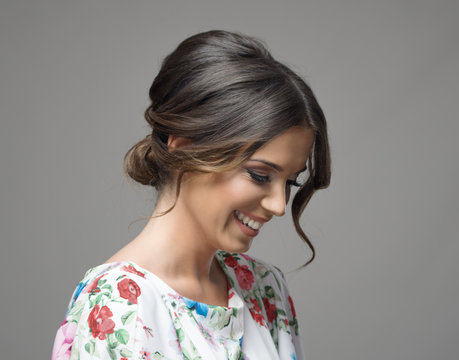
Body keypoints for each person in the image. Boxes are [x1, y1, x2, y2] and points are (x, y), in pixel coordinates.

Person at [51, 30, 331, 360]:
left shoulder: (264, 289)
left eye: (289, 182)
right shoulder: (120, 304)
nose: (279, 206)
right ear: (186, 150)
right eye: (260, 175)